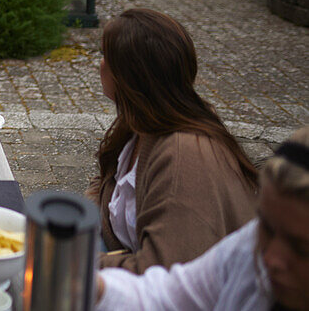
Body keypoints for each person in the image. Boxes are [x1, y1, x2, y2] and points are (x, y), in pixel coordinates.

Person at [89, 8, 257, 273]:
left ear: (130, 76)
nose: (99, 64)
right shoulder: (143, 121)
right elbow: (110, 186)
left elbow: (165, 272)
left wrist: (78, 262)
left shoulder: (184, 155)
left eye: (104, 55)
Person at [95, 125, 309, 311]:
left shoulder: (181, 153)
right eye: (266, 228)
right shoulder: (246, 251)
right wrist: (94, 286)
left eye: (301, 249)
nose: (270, 259)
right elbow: (168, 297)